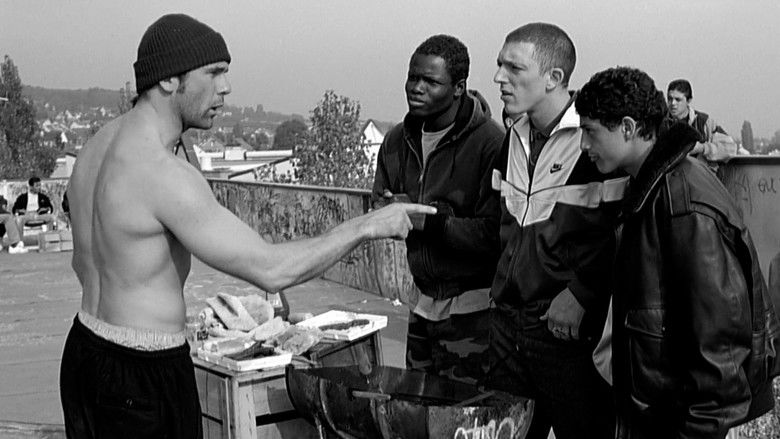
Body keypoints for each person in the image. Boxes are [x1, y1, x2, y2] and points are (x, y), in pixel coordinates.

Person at [59, 14, 435, 439]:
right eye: (213, 73)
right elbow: (271, 269)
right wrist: (368, 225)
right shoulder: (162, 173)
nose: (226, 87)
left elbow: (98, 255)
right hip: (141, 378)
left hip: (85, 350)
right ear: (167, 79)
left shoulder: (95, 148)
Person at [576, 66, 777, 438]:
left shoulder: (685, 204)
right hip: (657, 414)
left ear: (627, 127)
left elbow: (721, 354)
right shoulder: (649, 186)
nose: (584, 146)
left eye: (590, 131)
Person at [487, 23, 622, 439]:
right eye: (499, 65)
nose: (499, 78)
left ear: (554, 77)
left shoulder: (595, 140)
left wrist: (584, 292)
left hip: (565, 331)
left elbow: (628, 233)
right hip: (507, 327)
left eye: (514, 68)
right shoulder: (512, 137)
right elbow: (503, 225)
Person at [371, 35, 504, 384]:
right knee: (415, 405)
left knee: (465, 411)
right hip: (420, 305)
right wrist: (390, 212)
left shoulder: (491, 143)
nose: (416, 88)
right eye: (412, 77)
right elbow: (380, 204)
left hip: (475, 314)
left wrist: (428, 220)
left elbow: (495, 234)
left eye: (430, 81)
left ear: (459, 87)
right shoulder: (396, 141)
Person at [664, 79, 736, 171]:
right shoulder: (660, 124)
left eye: (678, 100)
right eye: (670, 99)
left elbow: (730, 148)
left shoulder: (704, 122)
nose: (673, 103)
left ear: (689, 100)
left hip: (700, 176)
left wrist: (702, 148)